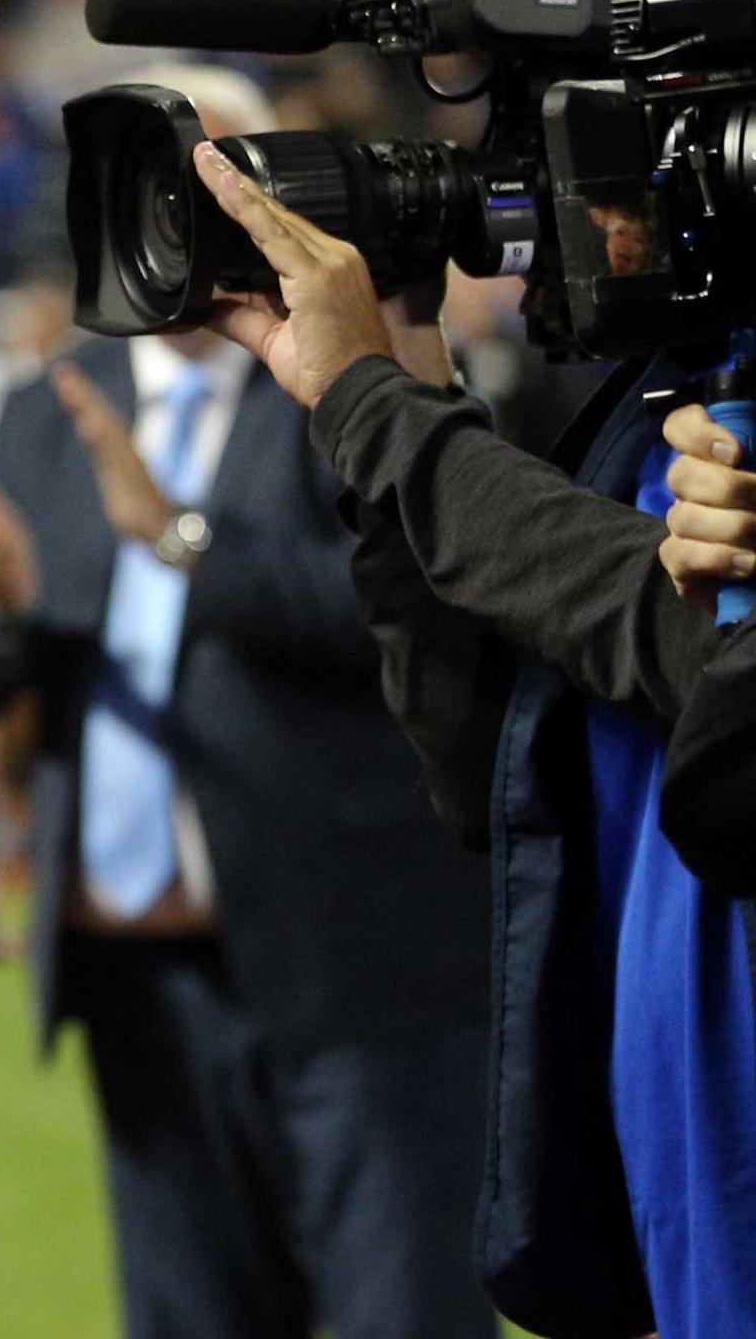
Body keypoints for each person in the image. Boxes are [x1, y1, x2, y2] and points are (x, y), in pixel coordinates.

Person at [0, 81, 491, 1339]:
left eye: (194, 183)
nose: (159, 215)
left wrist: (178, 540)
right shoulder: (46, 410)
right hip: (138, 974)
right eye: (138, 187)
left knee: (399, 1312)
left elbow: (431, 615)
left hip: (357, 968)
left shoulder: (366, 380)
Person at [181, 143, 752, 1336]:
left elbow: (678, 644)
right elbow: (490, 747)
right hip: (673, 1142)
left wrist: (374, 406)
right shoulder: (678, 397)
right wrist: (404, 379)